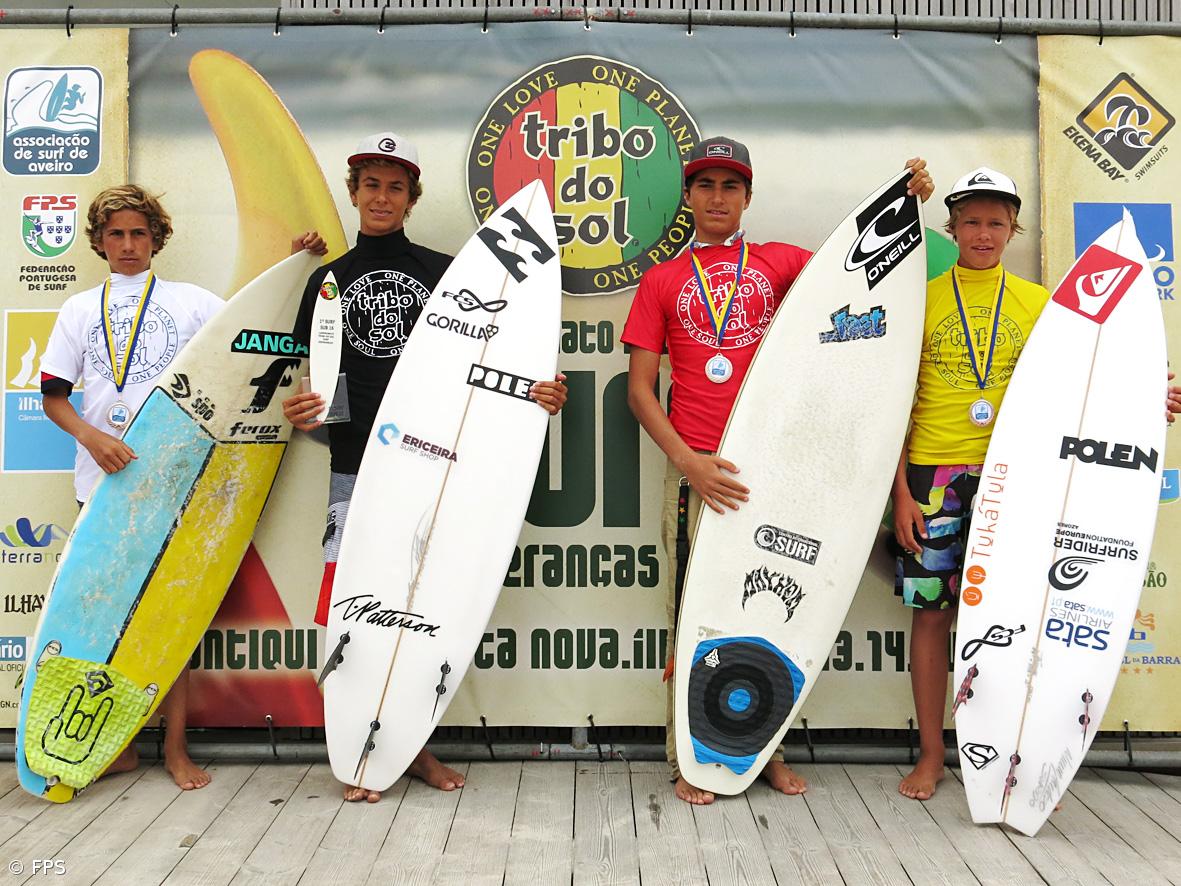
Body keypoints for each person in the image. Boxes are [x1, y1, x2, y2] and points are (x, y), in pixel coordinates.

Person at [623, 136, 933, 805]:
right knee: (694, 617)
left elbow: (862, 273)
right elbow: (640, 392)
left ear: (747, 197)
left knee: (774, 611)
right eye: (704, 186)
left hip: (780, 472)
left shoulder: (780, 263)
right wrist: (688, 464)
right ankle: (688, 755)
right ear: (688, 196)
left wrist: (905, 202)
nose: (716, 198)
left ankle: (765, 751)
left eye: (729, 187)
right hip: (698, 472)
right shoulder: (662, 280)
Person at [281, 132, 567, 803]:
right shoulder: (328, 281)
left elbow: (488, 366)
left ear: (411, 198)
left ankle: (409, 746)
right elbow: (319, 381)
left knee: (427, 605)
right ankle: (357, 748)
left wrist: (538, 392)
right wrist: (314, 415)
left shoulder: (447, 271)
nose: (381, 198)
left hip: (445, 470)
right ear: (352, 193)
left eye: (394, 187)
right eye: (370, 185)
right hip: (358, 471)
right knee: (353, 606)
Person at [893, 167, 1181, 801]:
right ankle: (934, 753)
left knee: (1013, 617)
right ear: (952, 226)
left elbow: (1085, 379)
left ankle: (997, 753)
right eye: (972, 220)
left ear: (1013, 228)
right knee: (934, 616)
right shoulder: (920, 297)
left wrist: (1145, 402)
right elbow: (889, 403)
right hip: (932, 476)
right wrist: (901, 493)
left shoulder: (1041, 302)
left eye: (997, 222)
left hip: (1017, 474)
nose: (984, 232)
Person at [39, 184, 325, 791]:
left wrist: (297, 264)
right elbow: (54, 399)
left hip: (180, 483)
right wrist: (92, 439)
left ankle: (174, 747)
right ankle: (110, 744)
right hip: (104, 484)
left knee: (171, 621)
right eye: (114, 234)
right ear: (96, 242)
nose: (127, 244)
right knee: (99, 622)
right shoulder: (78, 310)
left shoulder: (193, 303)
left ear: (157, 239)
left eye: (138, 233)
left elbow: (253, 336)